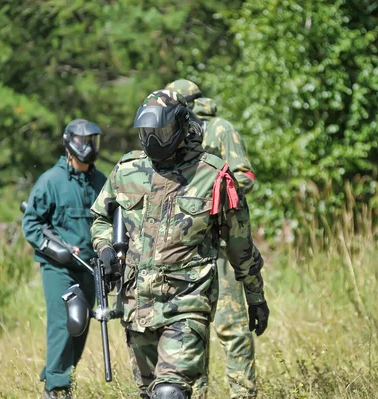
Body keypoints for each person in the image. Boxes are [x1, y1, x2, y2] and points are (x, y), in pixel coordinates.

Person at [90, 90, 269, 399]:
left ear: (181, 128)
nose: (153, 142)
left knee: (170, 392)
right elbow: (101, 220)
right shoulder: (127, 171)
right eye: (147, 134)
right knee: (148, 392)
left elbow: (240, 245)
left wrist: (255, 296)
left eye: (161, 133)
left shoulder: (212, 176)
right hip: (137, 305)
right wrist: (105, 249)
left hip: (187, 304)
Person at [166, 79, 258, 398]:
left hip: (221, 248)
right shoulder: (170, 134)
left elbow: (245, 176)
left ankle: (242, 393)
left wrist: (212, 193)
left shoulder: (220, 129)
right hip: (186, 249)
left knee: (232, 328)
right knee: (190, 332)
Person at [22, 119, 106, 399]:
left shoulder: (101, 182)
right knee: (65, 323)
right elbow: (31, 224)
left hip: (90, 268)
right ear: (70, 143)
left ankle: (60, 378)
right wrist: (60, 250)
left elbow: (114, 221)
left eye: (92, 140)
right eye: (83, 141)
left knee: (80, 328)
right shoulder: (51, 180)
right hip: (59, 268)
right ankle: (55, 388)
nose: (88, 146)